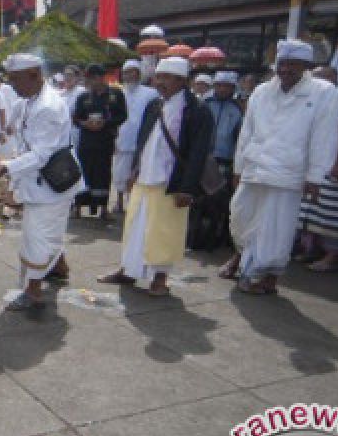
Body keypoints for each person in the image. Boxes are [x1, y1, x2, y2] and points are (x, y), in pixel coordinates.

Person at [220, 40, 338, 295]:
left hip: (289, 171)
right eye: (282, 64)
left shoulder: (323, 92)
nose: (285, 70)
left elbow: (324, 136)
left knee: (277, 228)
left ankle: (267, 276)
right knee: (241, 216)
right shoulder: (262, 91)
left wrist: (316, 177)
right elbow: (247, 131)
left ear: (305, 66)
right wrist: (238, 168)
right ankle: (242, 257)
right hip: (255, 166)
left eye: (292, 65)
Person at [98, 56, 216, 296]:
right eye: (158, 77)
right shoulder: (154, 105)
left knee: (164, 232)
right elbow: (143, 141)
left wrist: (187, 188)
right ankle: (127, 271)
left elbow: (198, 153)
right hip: (144, 178)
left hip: (171, 182)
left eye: (166, 78)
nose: (160, 82)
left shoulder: (198, 111)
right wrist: (134, 170)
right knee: (134, 228)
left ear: (181, 81)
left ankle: (160, 279)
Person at [0, 53, 82, 311]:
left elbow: (41, 154)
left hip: (51, 186)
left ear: (34, 75)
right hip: (37, 182)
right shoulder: (27, 101)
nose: (12, 85)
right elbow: (19, 138)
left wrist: (6, 168)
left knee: (36, 237)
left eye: (16, 79)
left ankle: (32, 291)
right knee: (47, 233)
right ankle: (59, 267)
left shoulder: (49, 106)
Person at [296, 66, 338, 271]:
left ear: (333, 79)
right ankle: (312, 250)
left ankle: (333, 256)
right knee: (311, 211)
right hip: (317, 165)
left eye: (322, 78)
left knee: (333, 214)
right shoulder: (313, 98)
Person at [190, 70, 243, 250]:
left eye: (227, 86)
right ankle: (193, 238)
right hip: (204, 159)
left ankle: (216, 238)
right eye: (219, 85)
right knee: (197, 201)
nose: (222, 89)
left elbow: (239, 137)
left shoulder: (237, 109)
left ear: (232, 88)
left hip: (225, 161)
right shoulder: (203, 104)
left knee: (219, 203)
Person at [73, 64, 127, 221]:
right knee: (84, 172)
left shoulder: (116, 94)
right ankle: (78, 207)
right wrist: (85, 123)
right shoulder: (84, 96)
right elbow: (76, 118)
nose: (89, 82)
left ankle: (104, 208)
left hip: (105, 139)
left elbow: (123, 116)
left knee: (103, 173)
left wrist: (106, 123)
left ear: (99, 77)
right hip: (87, 141)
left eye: (91, 78)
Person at [112, 59, 158, 214]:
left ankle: (133, 203)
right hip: (121, 139)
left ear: (139, 74)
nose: (129, 75)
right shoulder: (117, 93)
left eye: (132, 71)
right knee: (119, 173)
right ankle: (119, 202)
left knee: (138, 173)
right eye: (126, 72)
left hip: (142, 140)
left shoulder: (150, 93)